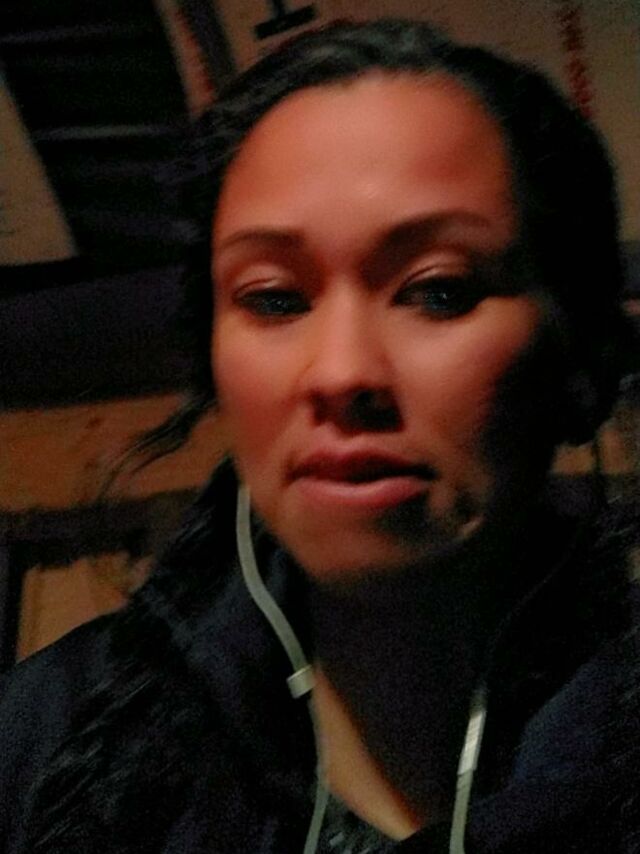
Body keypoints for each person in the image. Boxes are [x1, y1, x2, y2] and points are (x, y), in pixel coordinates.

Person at [1, 18, 638, 854]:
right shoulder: (40, 744)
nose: (340, 372)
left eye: (439, 290)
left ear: (580, 358)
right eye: (274, 298)